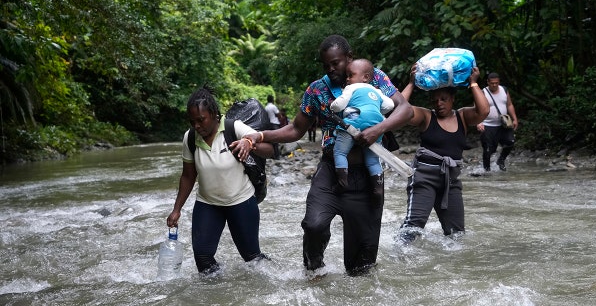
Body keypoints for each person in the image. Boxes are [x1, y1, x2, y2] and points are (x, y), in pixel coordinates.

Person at [243, 34, 412, 277]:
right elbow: (295, 129)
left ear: (349, 58)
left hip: (367, 176)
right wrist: (259, 136)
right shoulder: (317, 89)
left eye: (336, 63)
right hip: (331, 169)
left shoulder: (373, 77)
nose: (331, 69)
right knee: (313, 224)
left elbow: (404, 109)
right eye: (326, 65)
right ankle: (315, 271)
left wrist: (378, 129)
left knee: (360, 267)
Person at [166, 87, 274, 275]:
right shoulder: (190, 138)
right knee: (203, 257)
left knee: (251, 257)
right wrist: (177, 209)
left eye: (201, 120)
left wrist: (249, 143)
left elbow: (270, 149)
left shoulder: (234, 127)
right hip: (208, 203)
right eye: (192, 122)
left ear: (214, 114)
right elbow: (188, 176)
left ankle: (277, 277)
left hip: (241, 201)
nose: (197, 126)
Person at [398, 65, 489, 243]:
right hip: (424, 178)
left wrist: (473, 83)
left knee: (457, 234)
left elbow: (484, 111)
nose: (439, 103)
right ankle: (399, 257)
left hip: (451, 181)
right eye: (435, 100)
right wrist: (411, 83)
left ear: (452, 99)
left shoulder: (463, 116)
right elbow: (400, 110)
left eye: (443, 99)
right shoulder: (426, 116)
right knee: (413, 227)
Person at [330, 58, 394, 202]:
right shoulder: (376, 90)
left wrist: (332, 106)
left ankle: (342, 182)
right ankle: (378, 189)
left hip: (354, 121)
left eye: (350, 75)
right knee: (372, 160)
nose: (347, 79)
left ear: (365, 77)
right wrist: (376, 108)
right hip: (375, 126)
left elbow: (339, 105)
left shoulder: (351, 88)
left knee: (340, 152)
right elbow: (389, 105)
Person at [476, 72, 518, 171]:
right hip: (487, 125)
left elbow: (509, 105)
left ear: (499, 82)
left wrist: (515, 118)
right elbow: (476, 109)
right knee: (488, 150)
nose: (494, 85)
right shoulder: (482, 92)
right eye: (492, 83)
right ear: (488, 82)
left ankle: (501, 160)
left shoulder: (504, 90)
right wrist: (479, 122)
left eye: (496, 83)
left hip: (503, 125)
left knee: (510, 142)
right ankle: (487, 170)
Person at [265, 95, 282, 159]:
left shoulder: (266, 107)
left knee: (271, 140)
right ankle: (277, 155)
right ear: (272, 100)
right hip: (275, 124)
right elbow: (278, 114)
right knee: (276, 140)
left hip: (269, 124)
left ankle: (272, 155)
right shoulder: (273, 106)